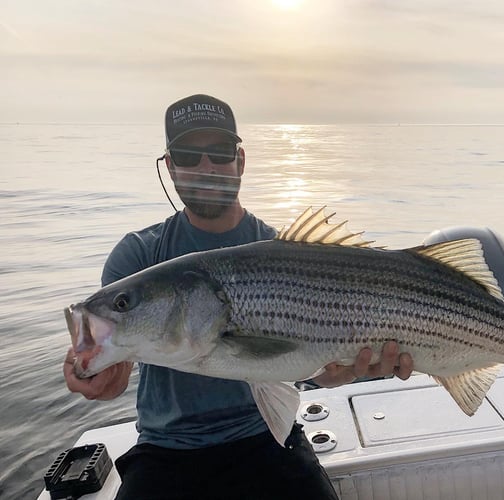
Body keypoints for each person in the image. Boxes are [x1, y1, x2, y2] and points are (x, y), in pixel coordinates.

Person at [63, 94, 414, 500]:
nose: (206, 166)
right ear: (171, 167)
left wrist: (338, 369)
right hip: (167, 450)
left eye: (220, 152)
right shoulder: (140, 256)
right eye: (189, 155)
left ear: (240, 161)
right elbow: (111, 380)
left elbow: (309, 368)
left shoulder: (280, 250)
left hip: (266, 437)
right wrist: (91, 370)